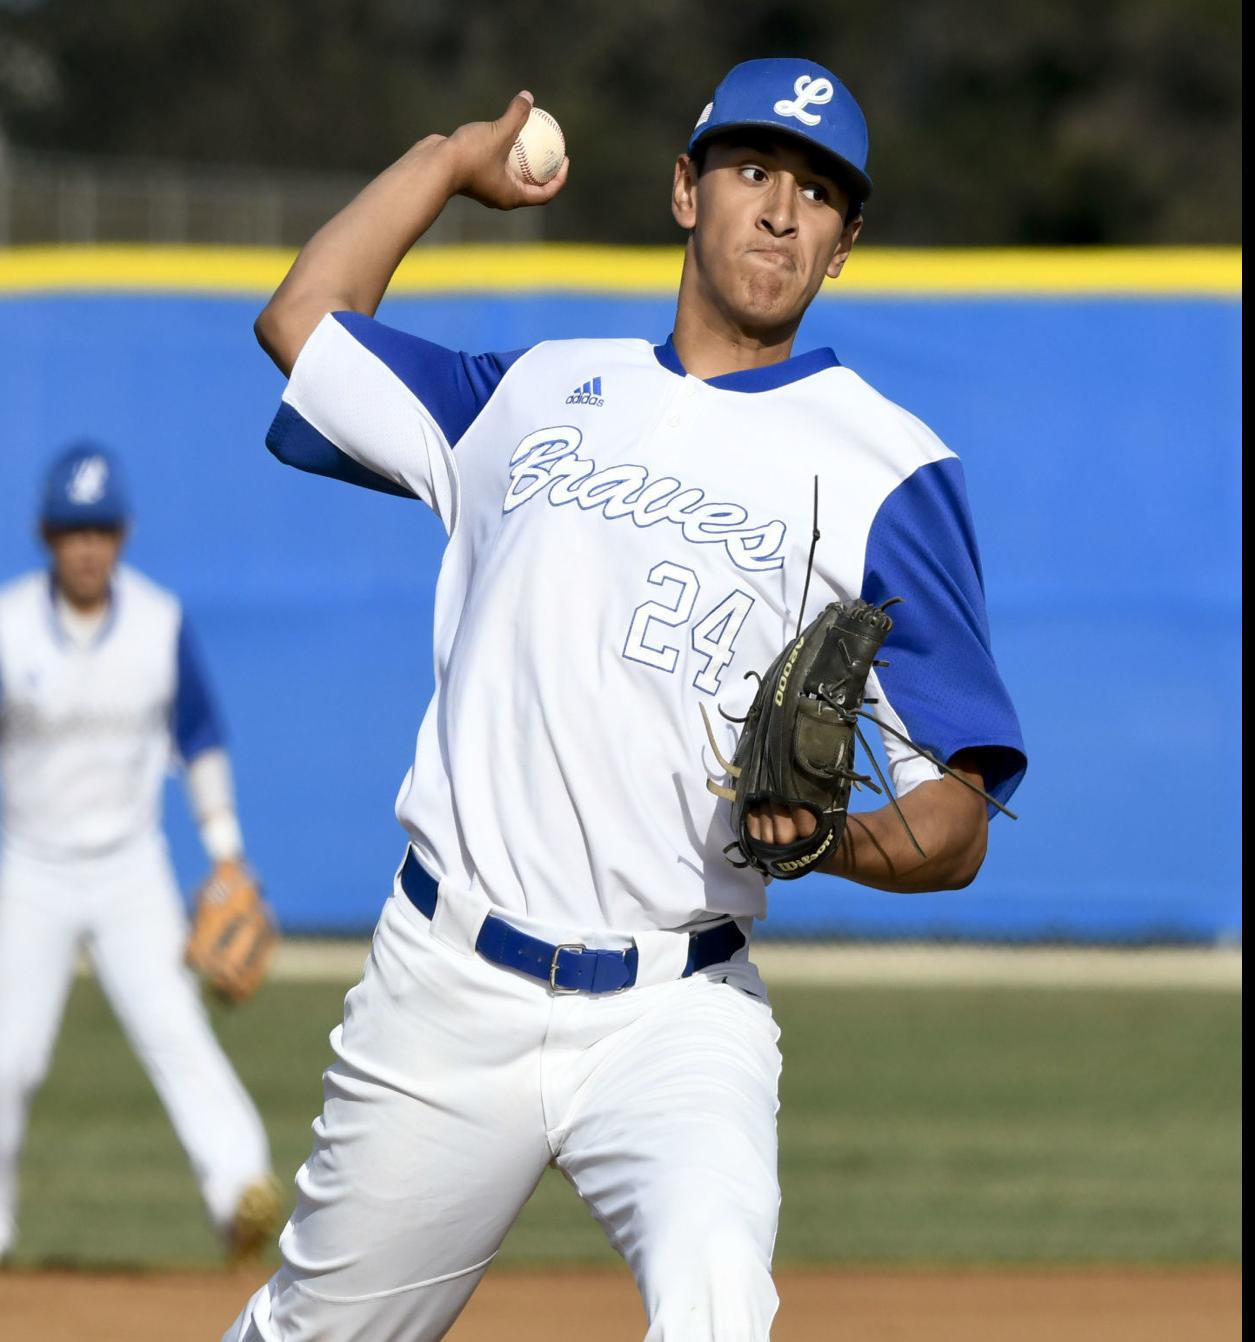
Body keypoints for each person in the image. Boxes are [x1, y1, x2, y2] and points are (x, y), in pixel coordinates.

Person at [226, 57, 1026, 1341]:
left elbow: (959, 813)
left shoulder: (893, 469)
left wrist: (836, 843)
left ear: (844, 244)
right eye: (754, 169)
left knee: (716, 1302)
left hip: (678, 1007)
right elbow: (304, 318)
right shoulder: (532, 390)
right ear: (683, 191)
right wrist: (445, 160)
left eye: (817, 192)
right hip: (449, 981)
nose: (780, 209)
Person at [0, 444, 280, 1262]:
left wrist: (226, 856)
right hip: (32, 867)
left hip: (129, 867)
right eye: (71, 530)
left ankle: (241, 1192)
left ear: (121, 535)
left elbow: (198, 740)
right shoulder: (9, 625)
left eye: (100, 529)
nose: (86, 547)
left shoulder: (158, 622)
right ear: (47, 536)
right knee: (8, 1056)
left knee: (174, 1031)